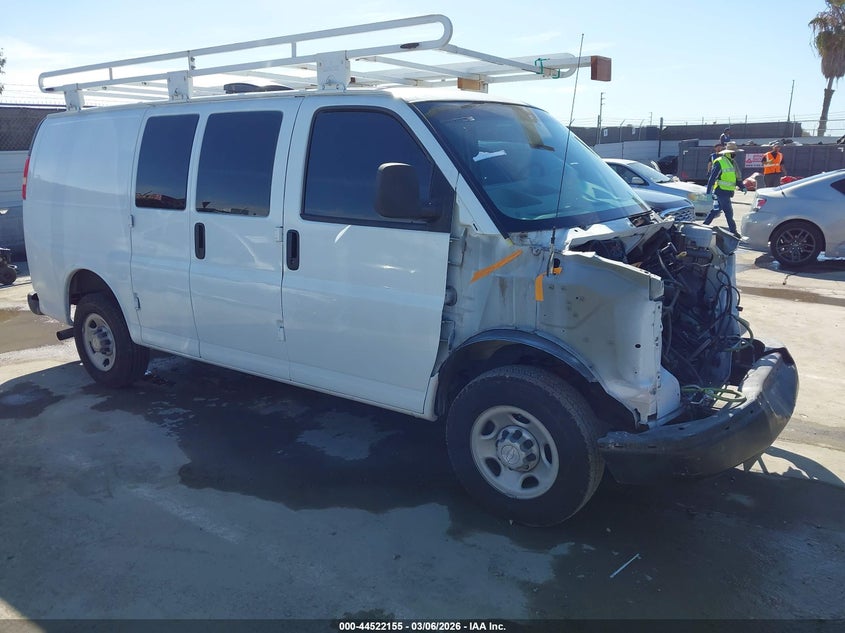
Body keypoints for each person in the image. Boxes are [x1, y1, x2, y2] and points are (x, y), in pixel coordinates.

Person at [704, 141, 745, 236]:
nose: (735, 154)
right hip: (721, 191)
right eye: (733, 152)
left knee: (716, 210)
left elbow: (736, 177)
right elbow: (712, 178)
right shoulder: (720, 162)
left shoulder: (732, 162)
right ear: (728, 153)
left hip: (727, 191)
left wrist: (742, 186)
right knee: (729, 212)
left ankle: (704, 225)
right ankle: (733, 231)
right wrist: (708, 193)